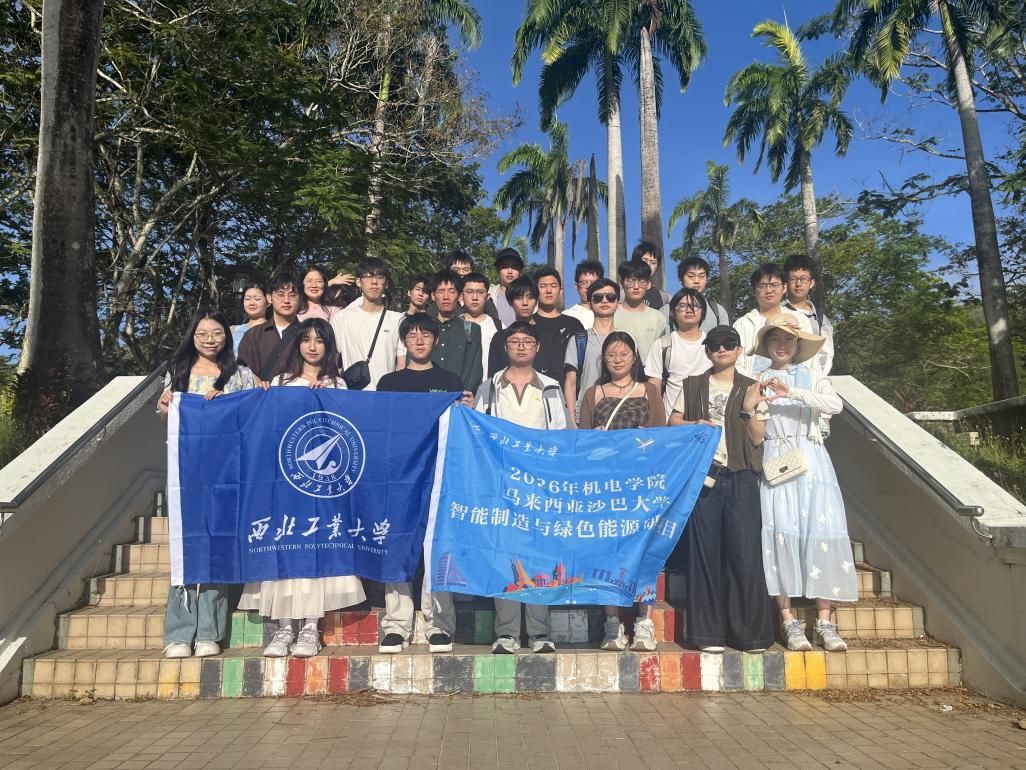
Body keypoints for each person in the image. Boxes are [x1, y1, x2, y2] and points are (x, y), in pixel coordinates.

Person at [238, 319, 366, 658]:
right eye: (306, 339)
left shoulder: (337, 384)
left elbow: (349, 429)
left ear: (328, 347)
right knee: (285, 546)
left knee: (317, 548)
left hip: (323, 486)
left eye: (319, 340)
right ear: (297, 345)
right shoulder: (281, 382)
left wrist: (327, 398)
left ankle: (310, 627)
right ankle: (284, 628)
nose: (312, 346)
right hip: (286, 483)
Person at [157, 309, 258, 659]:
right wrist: (166, 406)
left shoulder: (240, 373)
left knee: (217, 548)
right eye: (202, 333)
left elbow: (252, 416)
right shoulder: (177, 371)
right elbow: (166, 418)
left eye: (216, 333)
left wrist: (230, 404)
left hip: (226, 471)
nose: (210, 339)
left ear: (226, 337)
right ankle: (178, 633)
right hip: (185, 471)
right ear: (192, 336)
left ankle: (209, 632)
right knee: (184, 546)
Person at [667, 325, 775, 653]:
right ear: (707, 351)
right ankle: (707, 634)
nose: (722, 349)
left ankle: (750, 635)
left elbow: (757, 437)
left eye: (729, 343)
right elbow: (673, 421)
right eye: (715, 344)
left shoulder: (751, 386)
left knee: (745, 553)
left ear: (739, 349)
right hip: (704, 476)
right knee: (704, 554)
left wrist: (749, 407)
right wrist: (694, 424)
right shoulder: (693, 384)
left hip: (741, 475)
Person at [752, 314, 855, 653]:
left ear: (798, 345)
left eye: (788, 339)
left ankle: (824, 621)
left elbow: (835, 405)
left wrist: (794, 392)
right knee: (780, 532)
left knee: (820, 532)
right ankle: (788, 620)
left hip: (811, 461)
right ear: (766, 344)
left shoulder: (812, 376)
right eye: (775, 338)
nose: (781, 345)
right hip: (776, 460)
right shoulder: (756, 379)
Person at [378, 313, 474, 654]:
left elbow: (461, 430)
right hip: (399, 477)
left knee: (438, 546)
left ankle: (439, 625)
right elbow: (379, 428)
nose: (419, 340)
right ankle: (396, 625)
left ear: (436, 340)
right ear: (404, 341)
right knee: (397, 546)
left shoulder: (449, 381)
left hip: (439, 474)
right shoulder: (388, 383)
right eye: (413, 335)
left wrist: (468, 410)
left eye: (426, 334)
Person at [474, 321, 569, 654]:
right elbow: (478, 434)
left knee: (539, 555)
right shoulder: (488, 387)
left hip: (539, 485)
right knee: (504, 556)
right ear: (506, 346)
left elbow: (560, 437)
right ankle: (507, 632)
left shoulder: (551, 387)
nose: (521, 346)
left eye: (527, 341)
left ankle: (540, 632)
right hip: (500, 483)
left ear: (537, 347)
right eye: (514, 341)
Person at [577, 332, 665, 652]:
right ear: (603, 359)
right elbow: (582, 443)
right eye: (611, 354)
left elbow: (662, 438)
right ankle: (612, 623)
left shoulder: (650, 391)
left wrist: (646, 439)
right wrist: (595, 436)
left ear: (634, 358)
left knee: (645, 550)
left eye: (624, 353)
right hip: (606, 485)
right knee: (608, 551)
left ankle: (644, 622)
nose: (617, 359)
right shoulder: (593, 393)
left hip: (641, 485)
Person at [330, 258, 406, 390]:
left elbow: (401, 364)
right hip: (352, 394)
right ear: (358, 282)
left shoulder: (398, 320)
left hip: (385, 394)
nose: (374, 282)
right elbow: (332, 360)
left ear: (386, 284)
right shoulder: (341, 318)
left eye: (380, 277)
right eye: (368, 276)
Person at [733, 264, 814, 378]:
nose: (768, 290)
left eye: (774, 285)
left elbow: (810, 360)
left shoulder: (800, 319)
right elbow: (736, 363)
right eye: (762, 286)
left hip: (795, 385)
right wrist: (756, 381)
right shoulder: (743, 324)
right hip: (754, 385)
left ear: (784, 287)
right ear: (753, 290)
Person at [644, 288, 712, 420]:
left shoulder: (713, 345)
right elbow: (654, 388)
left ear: (703, 312)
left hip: (707, 421)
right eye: (682, 305)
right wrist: (656, 421)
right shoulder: (662, 345)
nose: (689, 310)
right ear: (672, 312)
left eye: (695, 305)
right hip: (671, 421)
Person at [563, 278, 619, 426]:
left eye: (611, 297)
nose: (605, 301)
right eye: (598, 297)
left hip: (620, 415)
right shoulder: (579, 339)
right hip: (585, 415)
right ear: (590, 303)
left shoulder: (626, 339)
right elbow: (570, 382)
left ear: (618, 303)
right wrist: (571, 419)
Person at [237, 272, 302, 383]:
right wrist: (255, 380)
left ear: (301, 298)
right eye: (280, 295)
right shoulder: (253, 336)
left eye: (292, 295)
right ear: (269, 298)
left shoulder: (309, 334)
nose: (286, 300)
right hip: (261, 393)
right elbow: (242, 371)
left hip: (300, 393)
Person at [429, 270, 483, 391]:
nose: (446, 297)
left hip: (458, 397)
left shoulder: (471, 330)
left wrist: (461, 394)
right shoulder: (423, 328)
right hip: (427, 397)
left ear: (459, 296)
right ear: (433, 295)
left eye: (451, 291)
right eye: (441, 291)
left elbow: (474, 370)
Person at [783, 255, 834, 375]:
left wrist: (819, 378)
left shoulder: (821, 319)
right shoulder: (778, 313)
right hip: (782, 379)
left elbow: (826, 354)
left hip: (813, 379)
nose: (798, 284)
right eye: (793, 279)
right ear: (786, 283)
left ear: (811, 283)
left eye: (804, 279)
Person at [532, 267, 585, 385]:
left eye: (553, 286)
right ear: (534, 290)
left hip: (568, 390)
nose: (548, 290)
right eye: (543, 286)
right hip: (534, 389)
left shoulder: (574, 325)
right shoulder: (527, 325)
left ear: (560, 291)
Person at [614, 260, 670, 361]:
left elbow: (665, 353)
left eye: (641, 282)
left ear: (648, 285)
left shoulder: (658, 318)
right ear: (621, 283)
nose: (636, 287)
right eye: (631, 281)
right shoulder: (612, 315)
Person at [487, 275, 538, 376]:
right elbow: (494, 377)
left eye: (530, 297)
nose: (525, 303)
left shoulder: (548, 335)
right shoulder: (499, 338)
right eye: (519, 298)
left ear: (536, 301)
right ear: (510, 302)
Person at [678, 257, 731, 332]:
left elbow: (725, 337)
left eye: (701, 276)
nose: (696, 281)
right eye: (691, 276)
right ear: (681, 279)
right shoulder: (667, 310)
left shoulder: (718, 311)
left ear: (706, 280)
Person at [461, 271, 498, 376]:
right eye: (469, 292)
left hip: (489, 383)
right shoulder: (453, 325)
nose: (475, 297)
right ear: (461, 296)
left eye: (480, 292)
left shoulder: (498, 326)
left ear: (487, 296)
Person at [488, 248, 524, 328]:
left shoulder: (531, 296)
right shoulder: (488, 294)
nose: (510, 271)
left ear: (520, 271)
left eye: (514, 267)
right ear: (498, 270)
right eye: (505, 267)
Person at [231, 280, 269, 351]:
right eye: (247, 299)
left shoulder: (274, 331)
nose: (251, 303)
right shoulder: (233, 330)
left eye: (257, 299)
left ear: (268, 301)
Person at [564, 260, 604, 328]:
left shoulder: (610, 313)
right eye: (584, 282)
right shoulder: (567, 316)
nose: (588, 286)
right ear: (576, 286)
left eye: (593, 283)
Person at [633, 242, 670, 310]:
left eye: (653, 262)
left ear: (657, 269)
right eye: (644, 260)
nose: (648, 265)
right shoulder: (621, 294)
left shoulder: (664, 298)